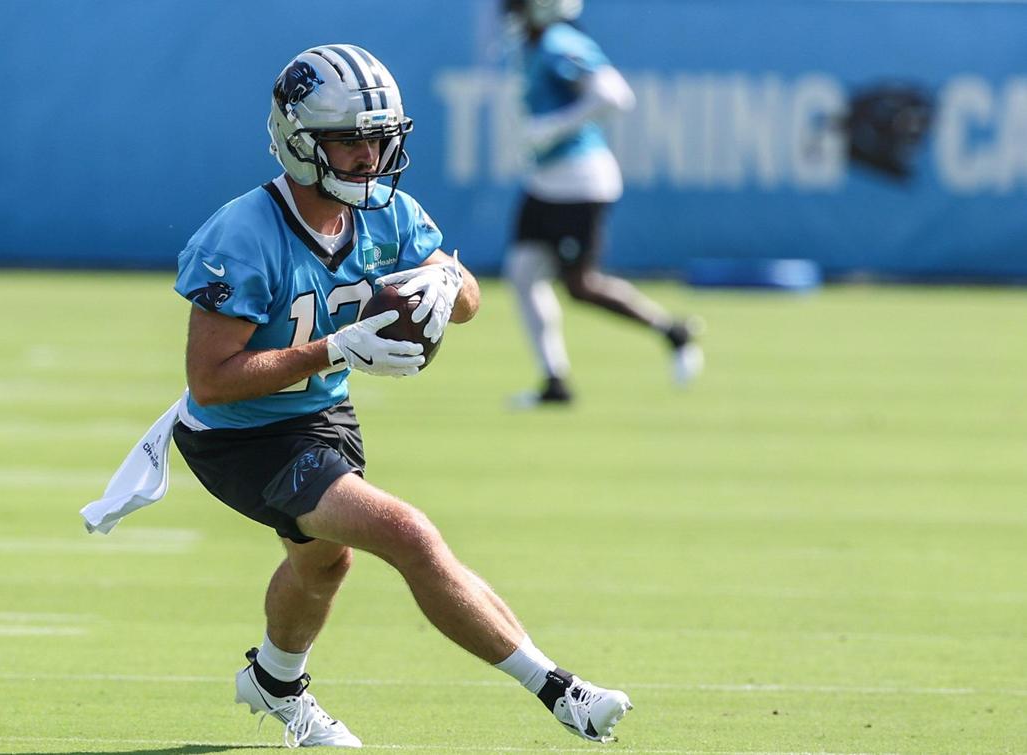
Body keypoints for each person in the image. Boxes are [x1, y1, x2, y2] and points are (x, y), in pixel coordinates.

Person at [169, 44, 632, 748]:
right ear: (298, 140)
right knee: (406, 533)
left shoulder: (388, 210)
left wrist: (448, 284)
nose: (368, 157)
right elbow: (211, 379)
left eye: (378, 139)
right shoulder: (242, 233)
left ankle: (273, 682)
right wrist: (333, 347)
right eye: (349, 140)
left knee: (323, 560)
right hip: (239, 434)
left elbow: (470, 295)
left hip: (322, 415)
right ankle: (559, 688)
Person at [503, 0, 704, 405]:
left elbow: (614, 95)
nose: (512, 11)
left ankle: (673, 332)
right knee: (524, 273)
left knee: (581, 285)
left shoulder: (561, 42)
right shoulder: (536, 44)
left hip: (579, 180)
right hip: (545, 181)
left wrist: (555, 126)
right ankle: (554, 381)